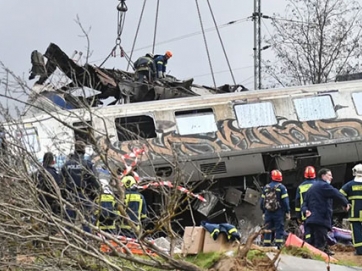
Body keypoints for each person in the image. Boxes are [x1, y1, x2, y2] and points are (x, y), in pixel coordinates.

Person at [302, 168, 349, 255]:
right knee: (320, 243)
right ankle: (320, 260)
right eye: (329, 175)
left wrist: (305, 210)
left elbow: (304, 203)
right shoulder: (324, 186)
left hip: (311, 219)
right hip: (320, 219)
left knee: (314, 241)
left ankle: (324, 251)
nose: (332, 177)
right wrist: (345, 203)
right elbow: (336, 193)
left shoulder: (312, 188)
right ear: (323, 176)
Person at [61, 141, 100, 233]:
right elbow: (94, 180)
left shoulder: (67, 164)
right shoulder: (88, 164)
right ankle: (88, 241)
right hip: (85, 195)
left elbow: (61, 180)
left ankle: (67, 240)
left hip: (71, 195)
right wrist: (99, 190)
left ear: (75, 150)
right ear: (84, 151)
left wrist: (64, 194)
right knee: (87, 221)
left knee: (69, 222)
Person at [260, 169, 290, 249]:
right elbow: (285, 202)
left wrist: (263, 212)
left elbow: (262, 202)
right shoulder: (282, 188)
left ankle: (266, 246)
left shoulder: (266, 188)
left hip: (268, 213)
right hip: (278, 212)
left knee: (267, 229)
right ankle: (278, 247)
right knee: (279, 229)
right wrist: (287, 211)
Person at [340, 164, 362, 255]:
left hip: (354, 213)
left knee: (356, 232)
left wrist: (346, 203)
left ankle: (360, 251)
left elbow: (340, 194)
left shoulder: (349, 185)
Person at [295, 166, 317, 243]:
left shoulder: (300, 187)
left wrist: (298, 216)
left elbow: (297, 203)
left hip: (305, 213)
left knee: (308, 232)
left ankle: (309, 245)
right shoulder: (318, 185)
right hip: (317, 213)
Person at [37, 152, 62, 216]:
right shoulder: (55, 174)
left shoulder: (39, 173)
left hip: (41, 202)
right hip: (52, 202)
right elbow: (59, 187)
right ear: (53, 162)